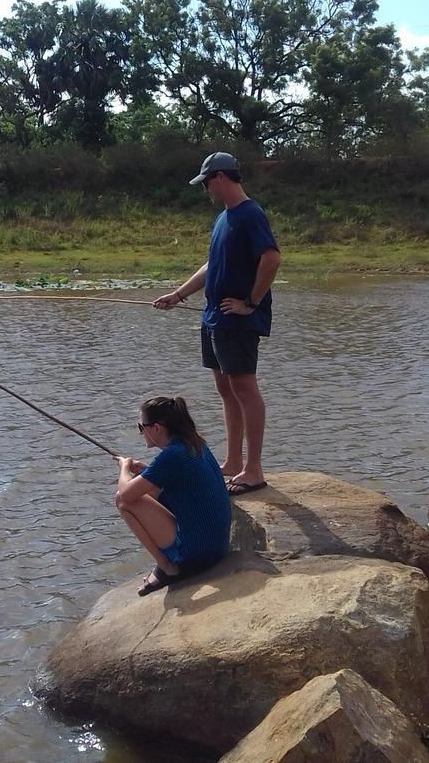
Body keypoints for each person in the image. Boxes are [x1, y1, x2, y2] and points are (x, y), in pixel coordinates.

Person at [153, 152, 281, 496]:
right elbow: (213, 265)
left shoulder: (250, 214)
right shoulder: (224, 218)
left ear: (221, 177)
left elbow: (271, 258)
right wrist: (178, 295)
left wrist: (251, 303)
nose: (206, 189)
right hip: (214, 318)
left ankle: (254, 469)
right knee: (226, 390)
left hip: (236, 320)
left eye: (207, 182)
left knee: (244, 389)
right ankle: (234, 461)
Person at [114, 395, 232, 596]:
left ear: (157, 428)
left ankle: (168, 568)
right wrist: (147, 471)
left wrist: (124, 468)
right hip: (218, 544)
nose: (141, 432)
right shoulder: (195, 442)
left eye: (142, 427)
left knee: (122, 501)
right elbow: (176, 479)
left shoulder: (172, 456)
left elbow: (126, 494)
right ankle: (170, 562)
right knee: (148, 489)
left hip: (199, 554)